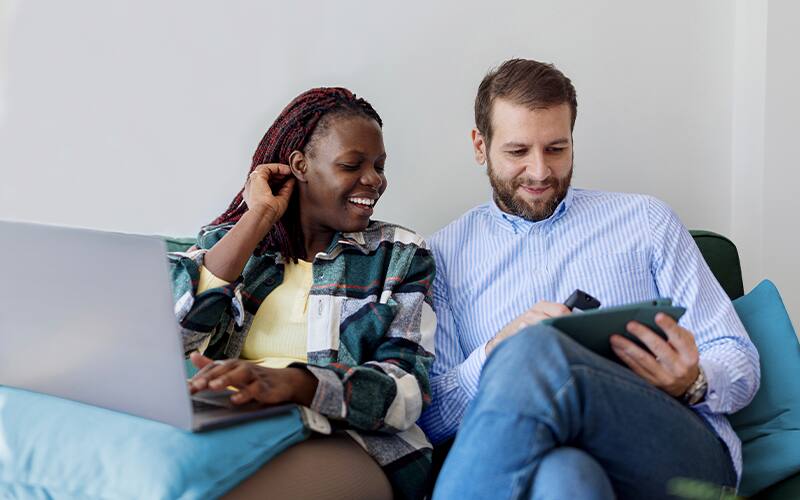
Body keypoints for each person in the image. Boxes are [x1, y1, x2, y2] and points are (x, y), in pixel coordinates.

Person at [419, 59, 760, 499]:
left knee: (539, 350)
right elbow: (432, 421)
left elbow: (739, 358)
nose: (540, 172)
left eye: (557, 149)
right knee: (563, 476)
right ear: (480, 146)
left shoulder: (646, 221)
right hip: (544, 467)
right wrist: (494, 352)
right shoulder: (441, 256)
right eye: (518, 152)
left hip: (673, 449)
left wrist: (692, 381)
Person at [168, 87, 436, 500]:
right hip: (230, 424)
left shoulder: (399, 254)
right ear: (300, 165)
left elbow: (406, 393)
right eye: (352, 165)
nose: (374, 180)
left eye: (379, 166)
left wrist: (297, 384)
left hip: (347, 438)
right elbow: (168, 341)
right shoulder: (230, 244)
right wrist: (257, 218)